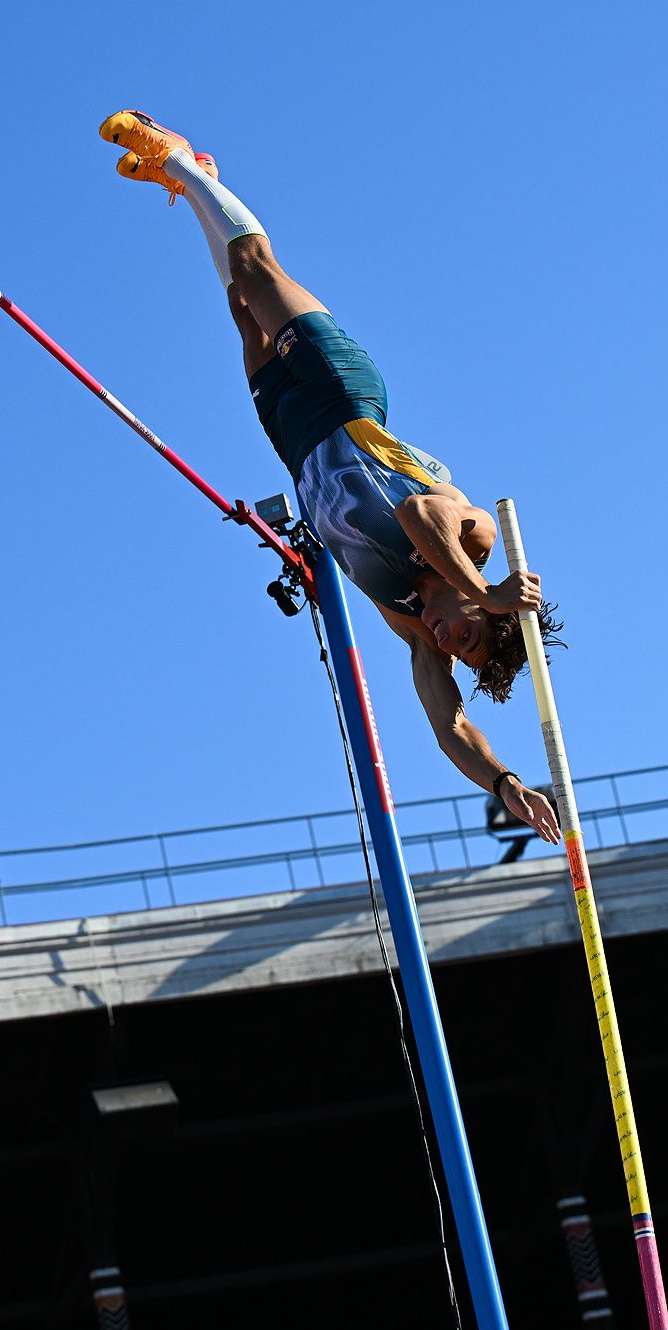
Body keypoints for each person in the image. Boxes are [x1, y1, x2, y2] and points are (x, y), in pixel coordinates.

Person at [97, 109, 565, 841]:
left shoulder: (414, 629)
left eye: (458, 652)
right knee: (258, 270)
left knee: (241, 309)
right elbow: (418, 518)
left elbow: (449, 728)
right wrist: (487, 592)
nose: (448, 642)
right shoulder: (475, 540)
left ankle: (195, 184)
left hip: (294, 440)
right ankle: (179, 158)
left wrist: (505, 781)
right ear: (489, 610)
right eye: (468, 637)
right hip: (344, 395)